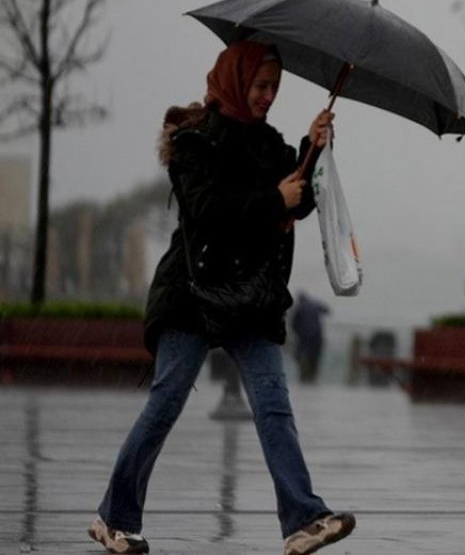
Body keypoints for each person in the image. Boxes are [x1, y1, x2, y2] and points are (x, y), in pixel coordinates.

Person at [88, 41, 356, 555]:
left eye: (274, 88)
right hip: (191, 291)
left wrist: (313, 145)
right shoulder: (195, 144)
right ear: (235, 81)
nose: (268, 96)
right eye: (260, 86)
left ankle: (302, 518)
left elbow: (295, 198)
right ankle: (114, 518)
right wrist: (273, 199)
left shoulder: (270, 143)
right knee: (165, 403)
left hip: (248, 297)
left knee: (274, 406)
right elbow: (208, 210)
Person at [290, 290, 330, 384]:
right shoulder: (315, 304)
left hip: (304, 335)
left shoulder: (299, 307)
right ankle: (313, 376)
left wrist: (297, 333)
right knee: (315, 355)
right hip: (317, 334)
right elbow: (326, 310)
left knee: (300, 354)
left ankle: (303, 375)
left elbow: (293, 323)